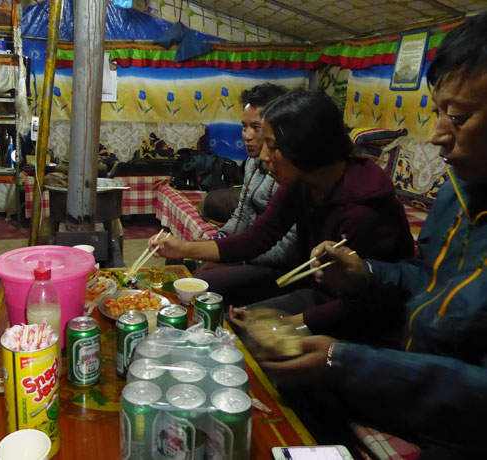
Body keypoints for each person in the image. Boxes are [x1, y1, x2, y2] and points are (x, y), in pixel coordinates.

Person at [261, 12, 487, 458]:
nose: (438, 136)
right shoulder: (459, 190)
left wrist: (344, 360)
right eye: (439, 110)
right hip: (409, 356)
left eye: (458, 117)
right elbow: (428, 280)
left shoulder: (363, 205)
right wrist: (364, 273)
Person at [150, 88, 414, 341]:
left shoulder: (363, 210)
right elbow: (257, 239)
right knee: (223, 319)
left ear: (306, 147)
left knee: (242, 335)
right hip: (320, 292)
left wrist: (284, 324)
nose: (264, 156)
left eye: (273, 146)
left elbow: (361, 301)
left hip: (365, 317)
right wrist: (183, 248)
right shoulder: (303, 183)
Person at [193, 83, 299, 307]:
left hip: (279, 266)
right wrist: (218, 241)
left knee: (202, 282)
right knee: (182, 261)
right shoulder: (251, 163)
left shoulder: (290, 171)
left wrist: (230, 258)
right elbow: (241, 214)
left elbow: (286, 248)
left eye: (256, 127)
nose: (247, 136)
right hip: (251, 250)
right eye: (244, 127)